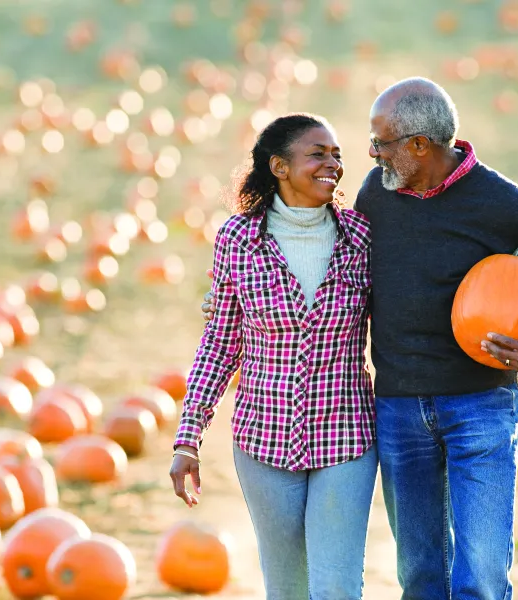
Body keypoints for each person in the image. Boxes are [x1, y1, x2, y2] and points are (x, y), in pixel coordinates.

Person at [203, 77, 518, 600]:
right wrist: (240, 294)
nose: (370, 153)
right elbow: (326, 252)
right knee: (420, 573)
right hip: (398, 409)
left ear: (419, 145)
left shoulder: (504, 205)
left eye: (381, 142)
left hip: (480, 405)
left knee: (480, 572)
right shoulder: (376, 194)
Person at [170, 113, 378, 600]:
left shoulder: (361, 239)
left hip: (347, 436)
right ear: (279, 166)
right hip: (264, 440)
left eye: (337, 155)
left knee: (336, 588)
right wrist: (188, 439)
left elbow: (400, 315)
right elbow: (218, 347)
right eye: (318, 154)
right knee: (287, 588)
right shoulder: (237, 241)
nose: (334, 164)